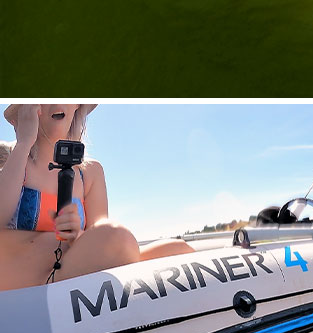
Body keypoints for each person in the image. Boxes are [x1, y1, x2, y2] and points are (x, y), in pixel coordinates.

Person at [0, 103, 192, 292]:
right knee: (117, 238)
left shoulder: (90, 172)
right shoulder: (9, 158)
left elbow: (99, 233)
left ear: (77, 106)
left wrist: (77, 236)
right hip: (28, 286)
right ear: (28, 110)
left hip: (77, 272)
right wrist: (24, 143)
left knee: (179, 249)